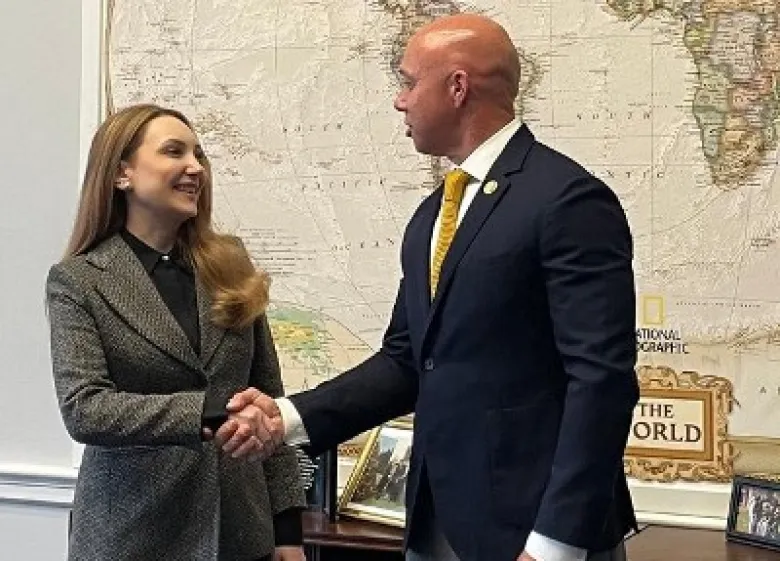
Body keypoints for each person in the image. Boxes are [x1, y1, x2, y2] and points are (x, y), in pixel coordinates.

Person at [224, 13, 639, 561]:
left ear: (457, 87)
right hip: (436, 525)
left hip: (534, 533)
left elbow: (600, 379)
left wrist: (555, 544)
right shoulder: (432, 216)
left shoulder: (567, 201)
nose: (400, 101)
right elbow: (407, 360)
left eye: (408, 82)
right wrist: (287, 417)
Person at [45, 103, 306, 561]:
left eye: (198, 154)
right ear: (122, 174)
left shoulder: (231, 265)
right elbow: (84, 408)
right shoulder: (79, 281)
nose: (195, 167)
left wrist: (288, 529)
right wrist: (203, 412)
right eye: (174, 151)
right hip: (131, 538)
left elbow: (267, 394)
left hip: (240, 535)